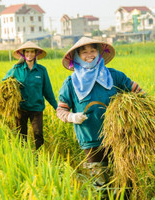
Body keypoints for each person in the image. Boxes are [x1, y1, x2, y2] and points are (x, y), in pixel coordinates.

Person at [56, 37, 144, 198]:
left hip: (119, 137)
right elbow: (61, 110)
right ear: (76, 56)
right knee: (101, 185)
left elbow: (138, 92)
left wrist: (140, 111)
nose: (89, 55)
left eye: (93, 50)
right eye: (84, 52)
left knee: (125, 183)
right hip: (91, 139)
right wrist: (71, 117)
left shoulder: (114, 76)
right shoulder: (71, 83)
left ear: (99, 52)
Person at [3, 41, 58, 150]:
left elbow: (48, 91)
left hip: (36, 108)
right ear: (23, 54)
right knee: (21, 136)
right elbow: (4, 84)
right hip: (20, 108)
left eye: (32, 52)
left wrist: (56, 107)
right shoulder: (16, 69)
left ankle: (39, 157)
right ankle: (24, 157)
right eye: (27, 52)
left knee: (38, 134)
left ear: (36, 53)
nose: (29, 54)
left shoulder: (41, 70)